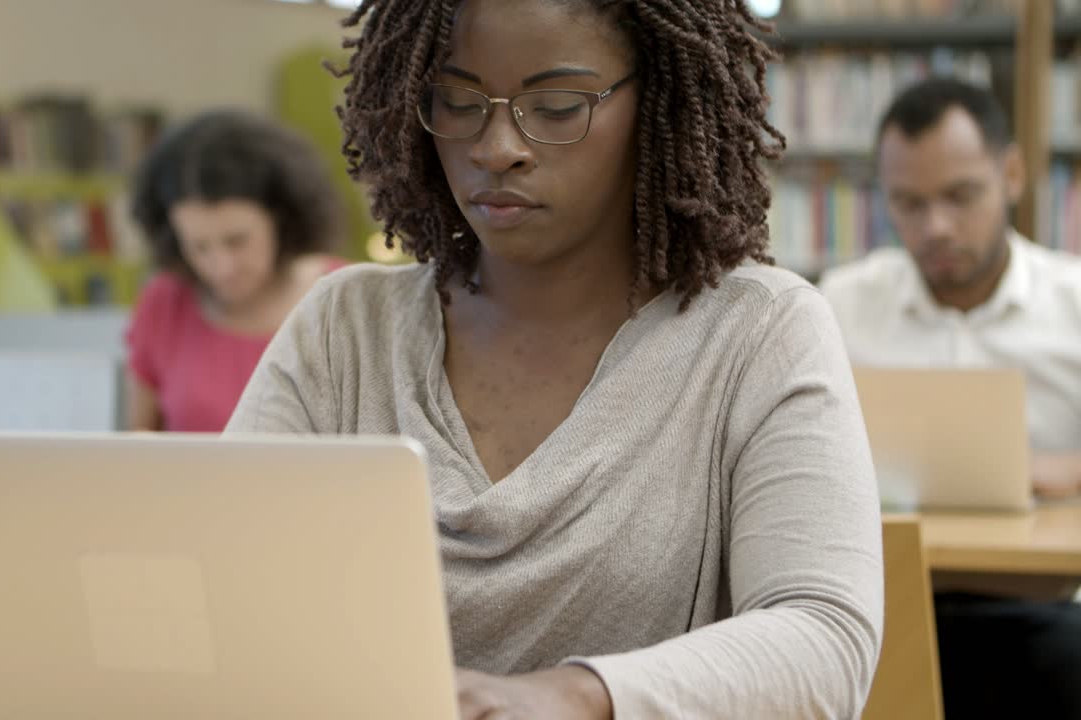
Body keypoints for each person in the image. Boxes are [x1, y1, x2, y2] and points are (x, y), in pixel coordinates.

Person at [227, 1, 883, 717]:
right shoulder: (343, 330)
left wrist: (580, 697)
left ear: (656, 98)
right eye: (457, 101)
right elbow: (220, 591)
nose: (496, 146)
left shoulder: (759, 332)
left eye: (558, 105)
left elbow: (823, 641)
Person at [820, 78, 1081, 718]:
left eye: (960, 197)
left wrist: (1067, 470)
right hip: (877, 599)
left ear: (1013, 174)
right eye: (908, 203)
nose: (935, 227)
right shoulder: (843, 304)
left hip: (1044, 601)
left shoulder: (1075, 303)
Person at [125, 110, 346, 432]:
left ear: (281, 219)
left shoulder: (345, 298)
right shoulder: (165, 302)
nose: (221, 267)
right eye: (199, 246)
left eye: (237, 241)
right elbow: (136, 446)